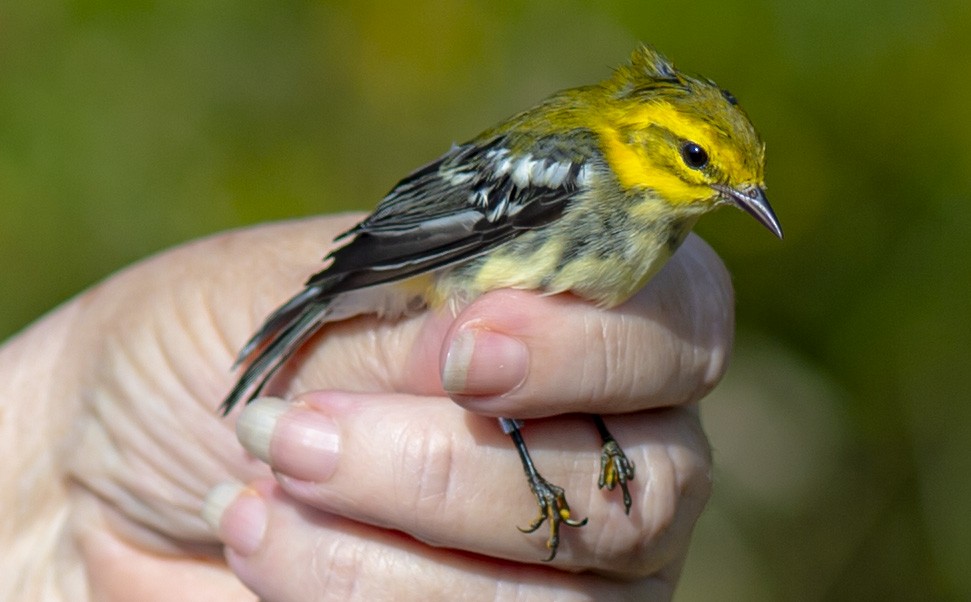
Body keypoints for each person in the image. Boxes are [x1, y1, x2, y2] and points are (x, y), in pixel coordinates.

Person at [0, 214, 733, 600]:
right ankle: (543, 478)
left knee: (533, 366)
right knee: (495, 363)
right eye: (701, 163)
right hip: (439, 271)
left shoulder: (646, 228)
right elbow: (465, 210)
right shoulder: (584, 175)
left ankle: (569, 458)